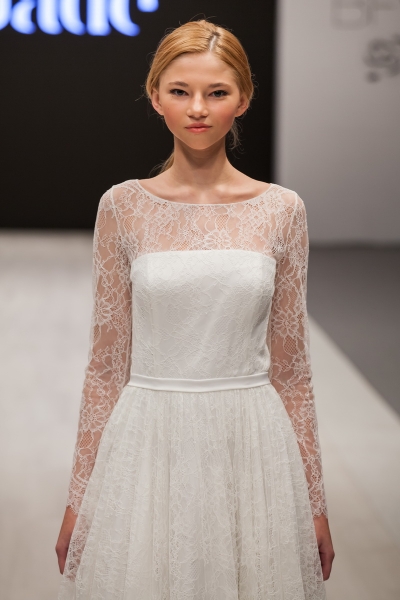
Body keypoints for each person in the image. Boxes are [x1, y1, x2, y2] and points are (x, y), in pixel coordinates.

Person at [56, 19, 334, 599]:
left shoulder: (282, 210)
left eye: (217, 92)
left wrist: (314, 502)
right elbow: (106, 368)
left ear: (245, 99)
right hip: (150, 442)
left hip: (251, 444)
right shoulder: (123, 207)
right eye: (180, 91)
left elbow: (292, 371)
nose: (198, 108)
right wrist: (79, 498)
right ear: (155, 96)